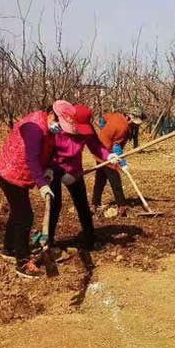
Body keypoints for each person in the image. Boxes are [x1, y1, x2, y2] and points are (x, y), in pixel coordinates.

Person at [0, 100, 78, 278]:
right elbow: (32, 158)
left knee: (17, 213)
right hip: (10, 173)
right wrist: (42, 185)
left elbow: (49, 153)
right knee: (25, 216)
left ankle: (8, 248)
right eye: (60, 124)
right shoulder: (34, 128)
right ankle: (22, 262)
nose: (61, 129)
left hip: (20, 174)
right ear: (51, 114)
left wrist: (50, 169)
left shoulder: (50, 129)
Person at [48, 104, 118, 255]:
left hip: (74, 171)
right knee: (54, 205)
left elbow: (96, 146)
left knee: (82, 205)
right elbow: (45, 151)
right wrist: (56, 171)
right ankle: (48, 241)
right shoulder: (56, 129)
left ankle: (90, 238)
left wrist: (108, 155)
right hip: (52, 169)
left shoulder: (87, 129)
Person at [92, 107, 143, 214]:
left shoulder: (115, 115)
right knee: (115, 179)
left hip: (99, 150)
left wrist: (103, 130)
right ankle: (122, 206)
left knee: (100, 179)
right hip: (108, 154)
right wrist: (123, 163)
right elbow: (116, 146)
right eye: (133, 122)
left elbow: (103, 119)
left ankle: (95, 204)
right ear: (128, 117)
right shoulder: (122, 128)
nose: (134, 124)